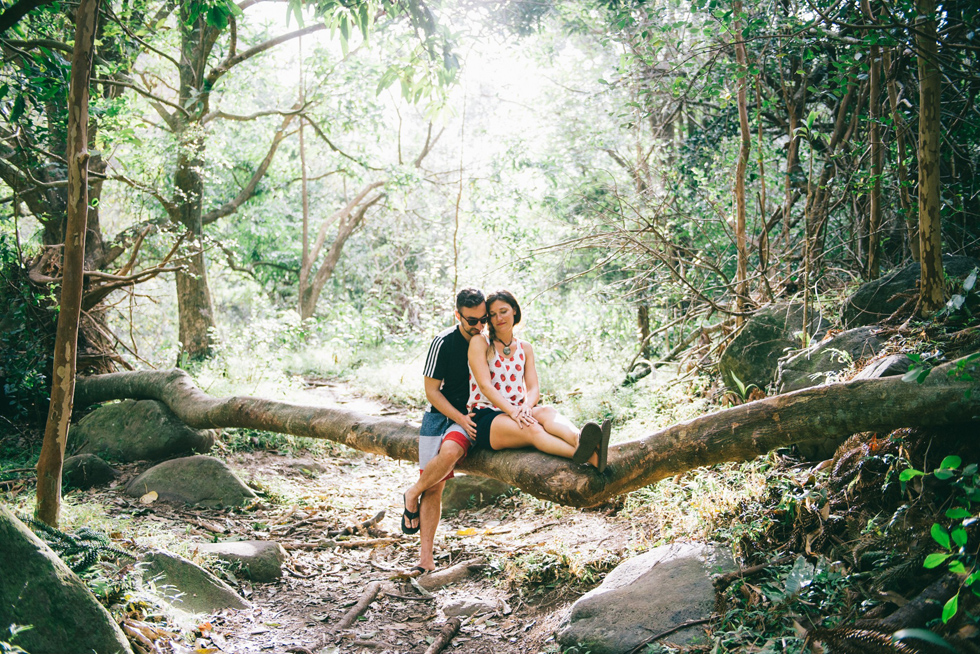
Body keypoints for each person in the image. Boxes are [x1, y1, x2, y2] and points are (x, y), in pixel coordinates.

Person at [467, 289, 611, 471]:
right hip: (486, 417)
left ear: (514, 310)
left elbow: (533, 388)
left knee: (546, 411)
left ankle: (579, 439)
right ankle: (593, 457)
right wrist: (513, 412)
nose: (498, 319)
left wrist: (526, 406)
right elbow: (485, 386)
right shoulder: (480, 342)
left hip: (517, 410)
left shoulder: (524, 348)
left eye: (503, 311)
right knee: (532, 428)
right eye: (493, 315)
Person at [400, 288, 487, 573]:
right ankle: (426, 559)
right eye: (472, 321)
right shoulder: (443, 342)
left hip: (470, 417)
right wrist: (459, 418)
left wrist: (467, 419)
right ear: (458, 315)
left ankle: (411, 492)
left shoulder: (486, 340)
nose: (479, 326)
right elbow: (431, 392)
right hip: (440, 416)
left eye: (483, 319)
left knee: (450, 451)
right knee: (434, 487)